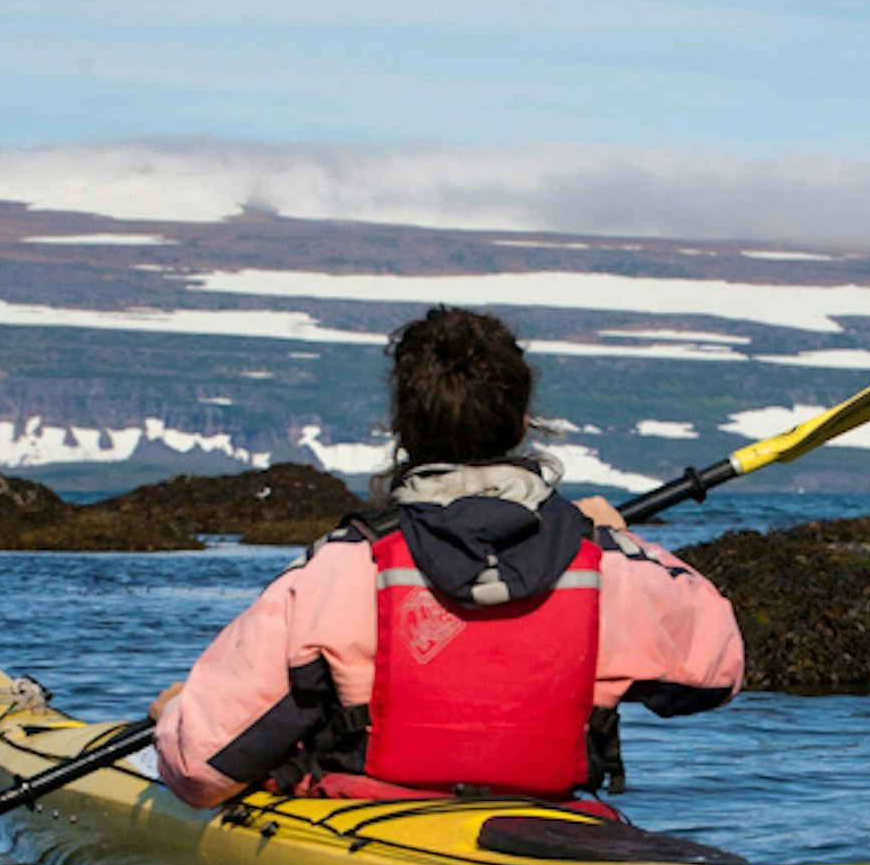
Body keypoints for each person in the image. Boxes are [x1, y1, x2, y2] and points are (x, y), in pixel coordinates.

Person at [150, 305, 744, 809]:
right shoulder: (606, 566)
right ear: (520, 421)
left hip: (375, 820)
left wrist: (175, 716)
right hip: (544, 821)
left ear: (404, 428)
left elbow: (201, 772)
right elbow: (719, 673)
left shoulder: (340, 571)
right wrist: (621, 542)